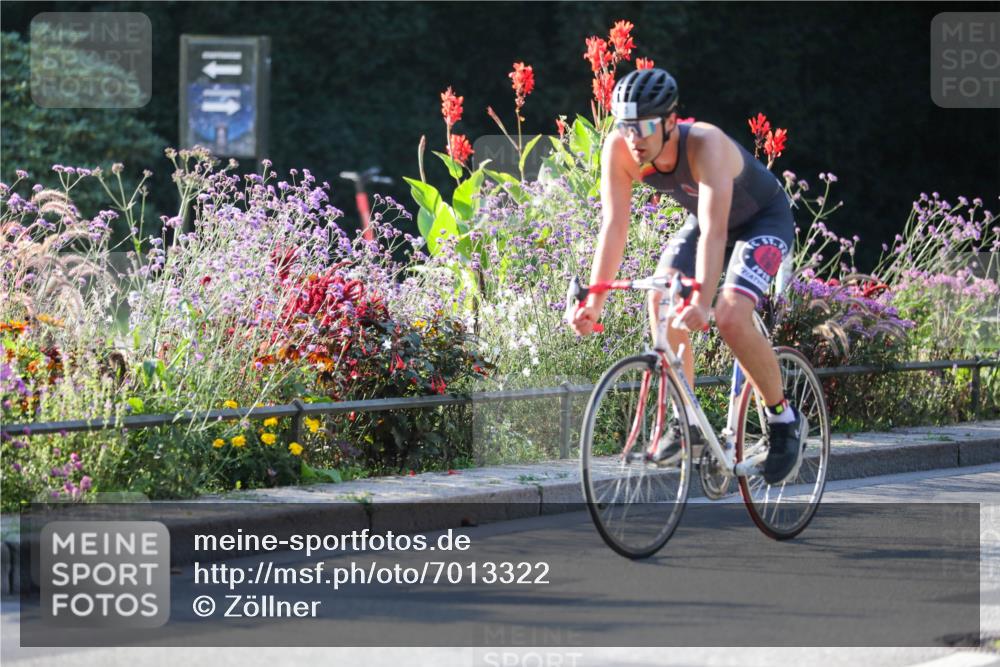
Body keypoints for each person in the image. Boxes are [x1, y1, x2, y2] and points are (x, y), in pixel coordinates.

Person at [569, 67, 804, 485]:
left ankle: (782, 419)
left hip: (761, 222)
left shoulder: (706, 144)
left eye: (643, 127)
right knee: (660, 299)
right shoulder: (619, 151)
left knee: (730, 315)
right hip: (707, 224)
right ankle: (687, 424)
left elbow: (716, 234)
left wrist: (701, 299)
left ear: (671, 121)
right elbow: (614, 226)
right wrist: (595, 301)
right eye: (625, 126)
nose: (633, 138)